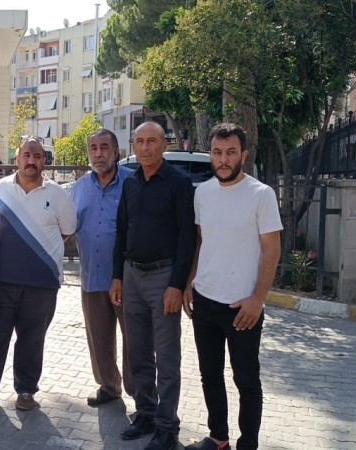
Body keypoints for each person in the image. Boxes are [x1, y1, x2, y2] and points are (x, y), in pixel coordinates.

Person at [183, 124, 282, 450]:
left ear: (244, 155)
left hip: (243, 307)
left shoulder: (261, 195)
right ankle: (218, 437)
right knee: (210, 375)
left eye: (230, 152)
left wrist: (258, 299)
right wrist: (190, 282)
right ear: (210, 154)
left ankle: (248, 444)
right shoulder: (202, 193)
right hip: (204, 300)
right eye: (217, 152)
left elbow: (272, 250)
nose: (223, 160)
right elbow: (202, 241)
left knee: (247, 381)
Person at [0, 138, 76, 412]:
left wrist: (38, 252)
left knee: (32, 340)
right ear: (16, 159)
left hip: (42, 284)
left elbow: (67, 231)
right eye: (26, 155)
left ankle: (26, 391)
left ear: (44, 161)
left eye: (37, 156)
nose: (31, 160)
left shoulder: (59, 195)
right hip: (0, 282)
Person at [110, 121, 195, 450]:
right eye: (139, 141)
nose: (145, 147)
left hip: (164, 277)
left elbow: (187, 239)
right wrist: (117, 277)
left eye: (152, 141)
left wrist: (177, 284)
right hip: (132, 275)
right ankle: (145, 412)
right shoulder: (130, 183)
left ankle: (167, 426)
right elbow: (122, 231)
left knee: (167, 356)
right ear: (134, 146)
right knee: (138, 351)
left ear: (164, 145)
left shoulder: (179, 183)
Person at [71, 128, 135, 408]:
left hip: (128, 279)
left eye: (104, 147)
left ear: (116, 152)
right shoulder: (78, 188)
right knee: (99, 339)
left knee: (134, 340)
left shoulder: (133, 183)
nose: (98, 154)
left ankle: (139, 393)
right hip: (92, 276)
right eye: (93, 148)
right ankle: (109, 386)